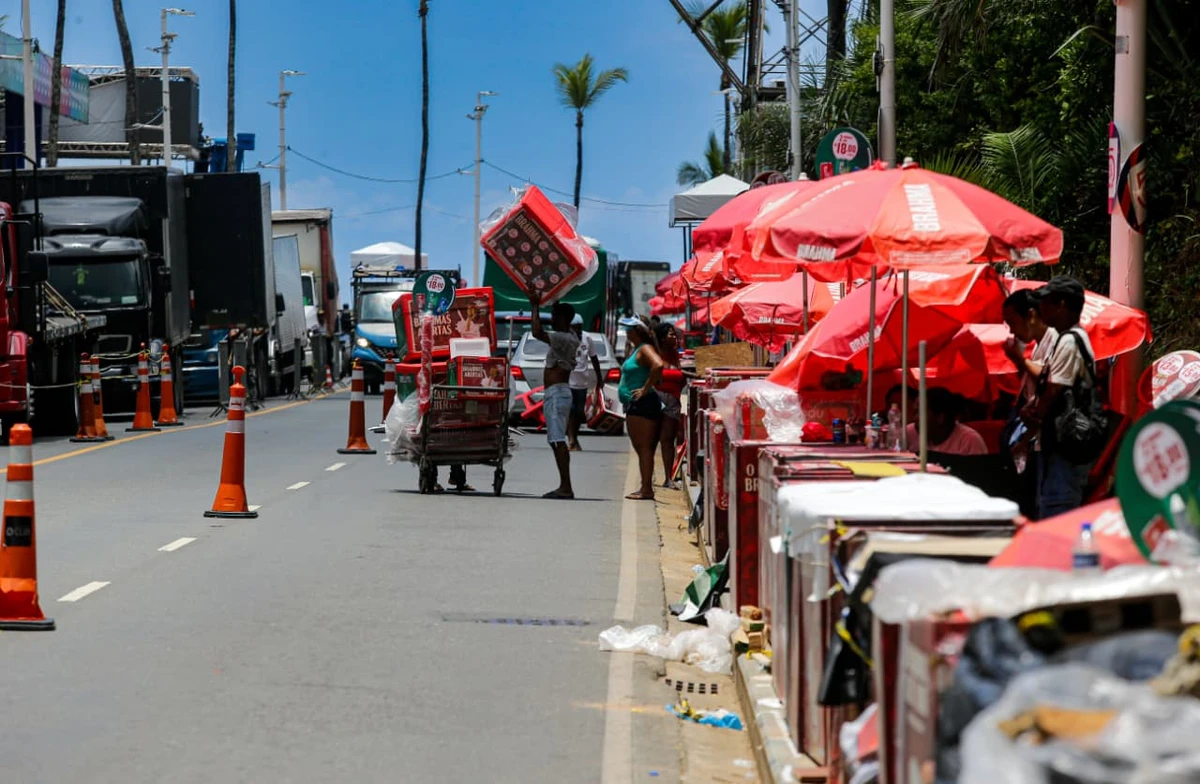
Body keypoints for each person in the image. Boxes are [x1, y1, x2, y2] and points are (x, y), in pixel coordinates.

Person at [1022, 276, 1096, 519]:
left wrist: (1034, 414)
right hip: (1060, 446)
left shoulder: (1069, 341)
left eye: (1046, 302)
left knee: (1057, 512)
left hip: (1065, 449)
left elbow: (1054, 392)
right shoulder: (1067, 338)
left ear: (1061, 305)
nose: (1041, 308)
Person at [1002, 289, 1059, 513]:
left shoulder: (1056, 340)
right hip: (1036, 438)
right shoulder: (1037, 344)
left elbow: (1052, 378)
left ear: (1032, 315)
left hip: (1053, 442)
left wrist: (1020, 360)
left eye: (1013, 322)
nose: (1012, 330)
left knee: (1049, 506)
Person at [529, 291, 581, 499]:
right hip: (557, 392)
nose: (551, 318)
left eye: (554, 315)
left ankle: (566, 486)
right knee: (555, 439)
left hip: (557, 393)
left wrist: (534, 305)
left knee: (557, 440)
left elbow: (536, 332)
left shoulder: (562, 337)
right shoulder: (571, 335)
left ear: (563, 319)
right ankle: (564, 485)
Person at [619, 316, 664, 500]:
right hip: (637, 404)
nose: (627, 332)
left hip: (642, 404)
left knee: (644, 448)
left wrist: (645, 389)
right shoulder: (637, 349)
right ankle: (645, 487)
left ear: (637, 331)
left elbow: (658, 365)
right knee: (642, 448)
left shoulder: (645, 349)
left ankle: (646, 488)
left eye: (630, 329)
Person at [905, 386, 988, 456]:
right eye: (914, 412)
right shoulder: (908, 433)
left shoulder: (969, 441)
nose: (914, 419)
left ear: (940, 418)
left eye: (919, 413)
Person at [654, 322, 687, 490]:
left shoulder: (676, 355)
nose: (674, 337)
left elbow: (682, 378)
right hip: (655, 400)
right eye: (671, 334)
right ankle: (647, 478)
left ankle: (668, 478)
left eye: (675, 334)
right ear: (661, 338)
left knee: (668, 440)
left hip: (673, 402)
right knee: (651, 440)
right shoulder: (654, 354)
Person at [567, 314, 604, 451]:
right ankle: (571, 438)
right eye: (574, 328)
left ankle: (574, 437)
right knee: (570, 409)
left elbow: (594, 358)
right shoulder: (565, 338)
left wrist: (599, 378)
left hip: (582, 383)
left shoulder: (587, 338)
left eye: (579, 328)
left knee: (578, 412)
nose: (576, 330)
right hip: (568, 381)